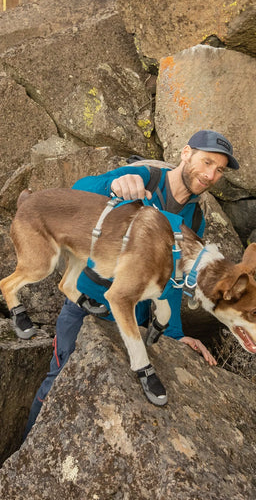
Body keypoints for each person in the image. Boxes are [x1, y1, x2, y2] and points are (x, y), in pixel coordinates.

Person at [23, 129, 240, 434]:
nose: (210, 175)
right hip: (86, 307)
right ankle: (27, 448)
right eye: (206, 162)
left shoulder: (194, 219)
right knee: (57, 380)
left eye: (218, 170)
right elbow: (76, 194)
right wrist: (113, 183)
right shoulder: (144, 178)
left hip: (132, 319)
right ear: (186, 153)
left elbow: (174, 280)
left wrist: (175, 334)